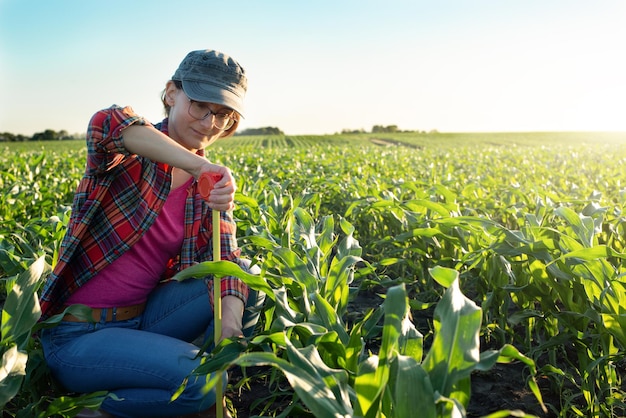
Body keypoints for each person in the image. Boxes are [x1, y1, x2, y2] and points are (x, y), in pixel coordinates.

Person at [38, 49, 264, 418]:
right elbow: (107, 123)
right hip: (79, 337)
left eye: (223, 114)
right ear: (172, 93)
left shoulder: (207, 188)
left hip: (144, 322)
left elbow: (227, 258)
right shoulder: (129, 153)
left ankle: (182, 379)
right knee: (202, 383)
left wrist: (230, 327)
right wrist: (200, 165)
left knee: (244, 275)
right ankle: (93, 411)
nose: (210, 123)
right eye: (200, 106)